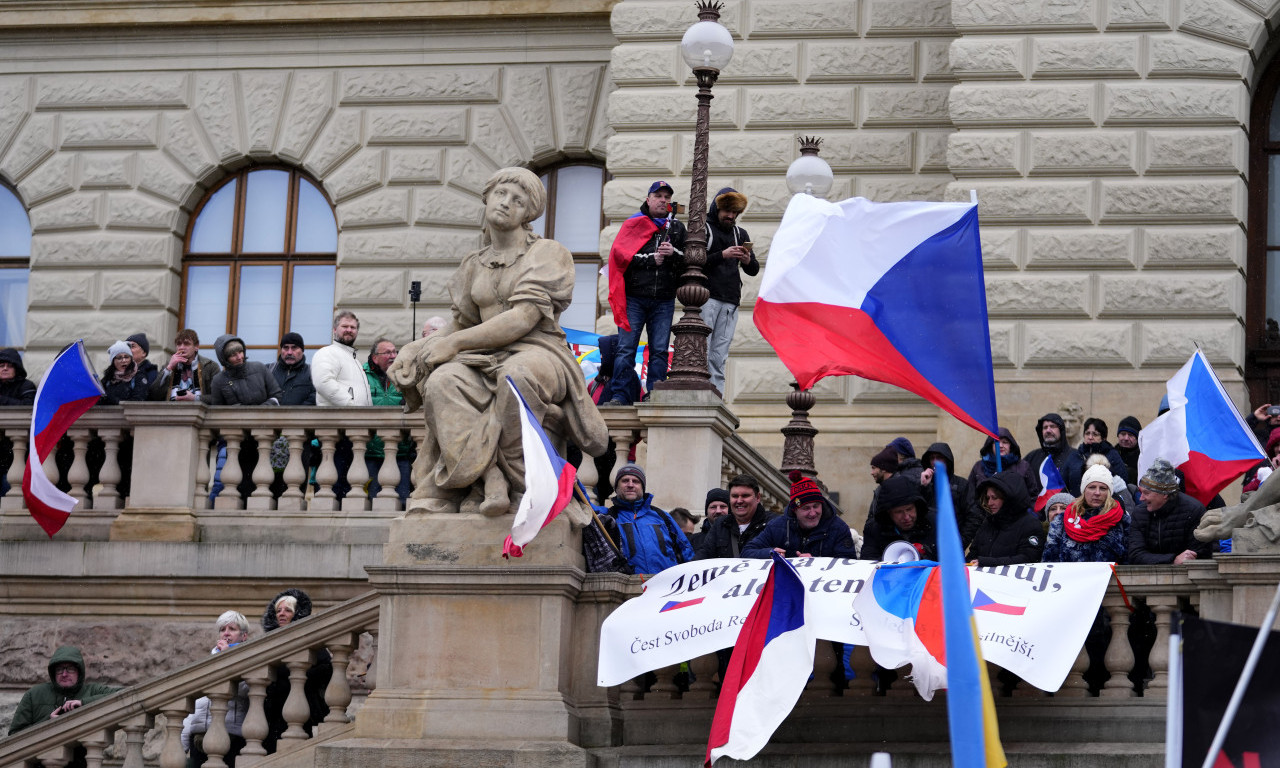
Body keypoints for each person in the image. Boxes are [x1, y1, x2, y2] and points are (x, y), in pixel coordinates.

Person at [387, 167, 608, 515]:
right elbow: (460, 323)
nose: (506, 203)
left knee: (516, 377)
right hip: (483, 356)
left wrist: (456, 344)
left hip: (540, 352)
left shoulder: (548, 254)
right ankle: (490, 476)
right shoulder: (473, 264)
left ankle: (519, 480)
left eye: (518, 201)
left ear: (528, 214)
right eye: (501, 194)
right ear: (487, 198)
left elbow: (522, 318)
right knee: (442, 382)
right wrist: (414, 348)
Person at [605, 180, 686, 405]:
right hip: (635, 298)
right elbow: (621, 257)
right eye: (658, 196)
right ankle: (620, 395)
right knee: (625, 348)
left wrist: (673, 253)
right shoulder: (634, 223)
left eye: (667, 197)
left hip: (664, 299)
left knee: (659, 350)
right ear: (648, 199)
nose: (663, 200)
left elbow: (689, 259)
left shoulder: (677, 228)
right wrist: (651, 259)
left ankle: (655, 394)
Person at [261, 589, 332, 753]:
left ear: (297, 613)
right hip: (270, 713)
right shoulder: (268, 642)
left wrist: (297, 676)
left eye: (287, 610)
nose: (281, 614)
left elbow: (326, 667)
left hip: (298, 709)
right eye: (278, 610)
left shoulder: (309, 640)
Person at [702, 187, 758, 393]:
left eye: (735, 212)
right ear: (717, 208)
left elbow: (753, 270)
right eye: (727, 211)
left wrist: (747, 260)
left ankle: (716, 396)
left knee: (720, 353)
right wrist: (722, 255)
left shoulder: (740, 233)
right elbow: (693, 261)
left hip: (730, 301)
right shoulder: (704, 229)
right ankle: (701, 392)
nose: (731, 216)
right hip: (707, 297)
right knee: (702, 349)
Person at [181, 611, 251, 768]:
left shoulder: (249, 659)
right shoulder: (207, 662)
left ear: (244, 636)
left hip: (229, 737)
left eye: (232, 629)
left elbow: (245, 689)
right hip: (199, 738)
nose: (226, 633)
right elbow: (196, 705)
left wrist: (228, 657)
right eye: (222, 629)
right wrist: (182, 742)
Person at [744, 471, 859, 559]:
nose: (813, 513)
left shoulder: (838, 528)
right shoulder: (776, 526)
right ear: (795, 510)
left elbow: (848, 563)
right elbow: (747, 552)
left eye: (816, 506)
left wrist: (816, 563)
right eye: (806, 508)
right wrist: (770, 553)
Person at [8, 645, 120, 735]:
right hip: (41, 756)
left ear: (79, 672)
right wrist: (47, 723)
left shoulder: (92, 691)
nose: (64, 674)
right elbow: (14, 736)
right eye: (59, 669)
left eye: (70, 669)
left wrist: (83, 703)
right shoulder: (34, 695)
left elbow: (123, 694)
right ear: (53, 672)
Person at [604, 464, 693, 574]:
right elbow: (587, 506)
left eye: (636, 481)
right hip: (629, 583)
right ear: (616, 487)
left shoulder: (662, 516)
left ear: (642, 487)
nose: (630, 485)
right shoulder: (608, 517)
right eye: (625, 481)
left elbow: (686, 552)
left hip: (666, 582)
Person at [1128, 458, 1215, 565]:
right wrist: (1173, 560)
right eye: (1141, 492)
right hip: (1148, 574)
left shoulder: (1194, 511)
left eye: (1146, 493)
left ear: (1164, 494)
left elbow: (1201, 554)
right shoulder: (1139, 513)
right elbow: (1135, 555)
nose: (1141, 498)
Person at [1043, 462, 1129, 563]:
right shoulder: (1061, 521)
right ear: (1084, 490)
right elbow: (1049, 561)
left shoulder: (1122, 521)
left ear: (1109, 492)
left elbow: (1128, 561)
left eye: (1103, 488)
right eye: (1092, 487)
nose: (1097, 493)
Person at [364, 338, 413, 500]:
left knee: (402, 501)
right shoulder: (362, 375)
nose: (393, 356)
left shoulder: (405, 374)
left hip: (401, 451)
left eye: (394, 352)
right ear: (375, 357)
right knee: (371, 501)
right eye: (387, 353)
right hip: (370, 452)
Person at [966, 470, 1044, 566]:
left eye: (994, 498)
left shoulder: (1030, 525)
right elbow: (972, 556)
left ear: (1008, 498)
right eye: (987, 498)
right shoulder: (988, 523)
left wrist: (985, 562)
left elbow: (1028, 559)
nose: (989, 503)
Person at [696, 474, 775, 560]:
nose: (739, 501)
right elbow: (703, 556)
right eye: (735, 496)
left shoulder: (773, 524)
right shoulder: (720, 525)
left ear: (758, 498)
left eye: (745, 496)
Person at [860, 474, 936, 561]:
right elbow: (868, 560)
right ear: (888, 513)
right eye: (898, 512)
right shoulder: (874, 529)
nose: (906, 517)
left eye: (909, 509)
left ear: (916, 506)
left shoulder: (935, 522)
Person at [312, 311, 372, 407]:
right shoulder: (327, 352)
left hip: (357, 416)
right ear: (335, 330)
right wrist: (350, 405)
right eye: (345, 326)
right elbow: (323, 382)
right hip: (339, 416)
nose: (349, 330)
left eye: (353, 327)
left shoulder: (355, 361)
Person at [207, 335, 282, 406]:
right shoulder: (218, 381)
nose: (239, 357)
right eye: (233, 355)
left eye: (240, 352)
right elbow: (217, 410)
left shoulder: (260, 368)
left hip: (265, 415)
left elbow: (276, 395)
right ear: (225, 359)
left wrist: (261, 410)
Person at [149, 329, 220, 402]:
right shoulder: (169, 367)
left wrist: (194, 398)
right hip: (172, 408)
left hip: (197, 409)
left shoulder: (210, 366)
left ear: (196, 346)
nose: (181, 347)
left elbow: (218, 398)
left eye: (186, 344)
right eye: (179, 344)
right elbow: (153, 395)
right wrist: (168, 368)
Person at [1063, 417, 1127, 495]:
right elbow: (1063, 483)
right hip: (1076, 501)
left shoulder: (1112, 455)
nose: (1090, 437)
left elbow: (1121, 483)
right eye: (1087, 433)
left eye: (1095, 434)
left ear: (1103, 438)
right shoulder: (1075, 455)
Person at [1025, 413, 1073, 496]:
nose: (1048, 430)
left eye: (1052, 426)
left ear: (1061, 430)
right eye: (1045, 427)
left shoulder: (1074, 456)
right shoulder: (1032, 457)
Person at [268, 332, 316, 406]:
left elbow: (315, 397)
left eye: (294, 348)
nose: (289, 352)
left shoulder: (312, 373)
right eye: (286, 348)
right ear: (281, 350)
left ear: (302, 350)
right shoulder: (269, 370)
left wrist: (297, 412)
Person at [1115, 416, 1142, 485]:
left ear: (1137, 438)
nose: (1126, 438)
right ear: (1118, 436)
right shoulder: (1111, 454)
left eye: (1130, 435)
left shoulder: (1143, 457)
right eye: (1123, 434)